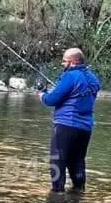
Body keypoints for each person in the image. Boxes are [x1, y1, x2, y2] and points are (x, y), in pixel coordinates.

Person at [37, 48, 101, 193]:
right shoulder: (93, 79)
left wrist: (42, 94)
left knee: (57, 160)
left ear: (72, 62)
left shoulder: (70, 76)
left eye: (64, 61)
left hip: (66, 125)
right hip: (85, 128)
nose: (62, 63)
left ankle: (57, 193)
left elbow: (51, 100)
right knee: (78, 161)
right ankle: (79, 192)